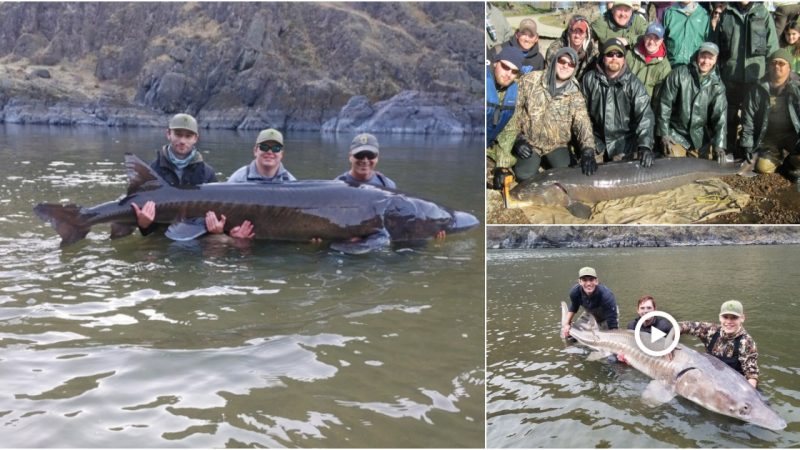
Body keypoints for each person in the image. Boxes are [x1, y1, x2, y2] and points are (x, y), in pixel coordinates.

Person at [490, 48, 595, 185]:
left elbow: (583, 122)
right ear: (554, 61)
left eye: (571, 64)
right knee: (524, 175)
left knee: (569, 175)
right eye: (562, 61)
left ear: (574, 68)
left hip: (557, 144)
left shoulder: (575, 93)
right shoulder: (530, 80)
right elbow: (513, 113)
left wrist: (588, 149)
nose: (565, 66)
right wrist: (517, 140)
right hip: (530, 143)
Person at [132, 113, 222, 236]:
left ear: (195, 138)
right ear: (168, 134)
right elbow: (145, 228)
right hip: (162, 234)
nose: (182, 141)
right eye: (178, 135)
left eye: (188, 136)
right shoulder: (152, 170)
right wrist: (143, 225)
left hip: (194, 235)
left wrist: (217, 230)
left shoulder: (207, 173)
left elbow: (215, 214)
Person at [711, 1, 779, 157]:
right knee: (729, 114)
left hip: (756, 76)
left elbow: (772, 47)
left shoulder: (764, 14)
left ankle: (748, 150)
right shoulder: (726, 14)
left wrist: (771, 76)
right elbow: (715, 43)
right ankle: (727, 148)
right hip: (730, 75)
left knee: (752, 116)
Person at [580, 38, 656, 171]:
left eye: (619, 55)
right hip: (597, 142)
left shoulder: (634, 84)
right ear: (603, 58)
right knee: (584, 174)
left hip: (624, 143)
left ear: (624, 59)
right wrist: (587, 147)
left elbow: (645, 116)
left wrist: (645, 146)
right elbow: (581, 116)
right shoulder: (589, 79)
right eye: (610, 54)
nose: (614, 58)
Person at [655, 42, 727, 161]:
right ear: (697, 56)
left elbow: (721, 118)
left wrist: (720, 145)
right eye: (703, 57)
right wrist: (664, 134)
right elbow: (664, 104)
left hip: (699, 138)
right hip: (676, 134)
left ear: (715, 60)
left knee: (709, 165)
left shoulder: (718, 85)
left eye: (710, 58)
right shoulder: (679, 74)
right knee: (671, 162)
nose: (706, 62)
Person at [740, 48, 800, 180]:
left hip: (792, 135)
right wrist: (747, 144)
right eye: (773, 63)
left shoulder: (797, 87)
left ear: (789, 67)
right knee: (763, 168)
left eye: (781, 63)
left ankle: (790, 164)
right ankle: (778, 158)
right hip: (768, 137)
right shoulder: (757, 89)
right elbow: (747, 118)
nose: (776, 66)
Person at [678, 300, 759, 388]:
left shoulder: (746, 342)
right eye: (725, 317)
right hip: (711, 379)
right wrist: (671, 330)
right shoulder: (711, 331)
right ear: (720, 317)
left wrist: (748, 394)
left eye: (734, 317)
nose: (729, 321)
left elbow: (752, 375)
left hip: (734, 386)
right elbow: (688, 326)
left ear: (742, 318)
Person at [562, 267, 619, 338]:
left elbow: (612, 324)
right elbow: (574, 307)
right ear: (580, 282)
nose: (588, 283)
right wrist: (566, 324)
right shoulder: (575, 292)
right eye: (584, 280)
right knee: (571, 335)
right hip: (590, 312)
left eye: (591, 280)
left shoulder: (606, 296)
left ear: (596, 281)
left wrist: (614, 339)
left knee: (606, 337)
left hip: (606, 315)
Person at [486, 46, 525, 148]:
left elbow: (509, 131)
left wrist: (503, 162)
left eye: (514, 71)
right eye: (505, 67)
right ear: (495, 63)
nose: (508, 74)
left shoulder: (513, 93)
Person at [227, 128, 296, 183]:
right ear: (255, 151)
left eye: (276, 148)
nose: (269, 152)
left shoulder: (291, 182)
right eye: (264, 147)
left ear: (281, 154)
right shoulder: (237, 179)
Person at [626, 21, 672, 98]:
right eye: (649, 37)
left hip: (645, 105)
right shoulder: (630, 54)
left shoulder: (664, 66)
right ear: (644, 37)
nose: (651, 42)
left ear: (661, 41)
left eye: (656, 39)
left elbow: (660, 97)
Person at [545, 15, 599, 81]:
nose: (577, 35)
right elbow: (548, 74)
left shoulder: (593, 51)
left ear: (586, 34)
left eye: (581, 32)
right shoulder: (555, 49)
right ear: (569, 32)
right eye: (574, 31)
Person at [662, 2, 710, 67]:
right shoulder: (669, 12)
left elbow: (707, 45)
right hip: (671, 67)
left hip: (694, 69)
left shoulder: (704, 15)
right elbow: (661, 42)